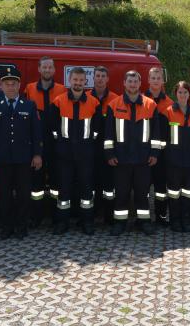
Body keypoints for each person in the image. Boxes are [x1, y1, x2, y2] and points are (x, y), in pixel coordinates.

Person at [0, 66, 43, 239]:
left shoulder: (29, 105)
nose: (10, 87)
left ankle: (22, 227)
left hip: (24, 159)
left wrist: (37, 154)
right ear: (1, 85)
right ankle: (6, 227)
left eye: (13, 84)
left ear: (19, 85)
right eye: (7, 84)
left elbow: (36, 133)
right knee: (4, 195)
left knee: (23, 195)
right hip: (1, 159)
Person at [103, 70, 161, 236]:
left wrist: (154, 153)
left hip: (144, 159)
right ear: (124, 83)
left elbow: (156, 133)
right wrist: (110, 154)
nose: (133, 84)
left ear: (140, 83)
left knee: (142, 194)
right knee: (121, 193)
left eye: (135, 81)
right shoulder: (114, 105)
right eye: (130, 81)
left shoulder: (150, 105)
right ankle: (119, 223)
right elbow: (109, 134)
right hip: (121, 159)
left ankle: (144, 222)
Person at [50, 67, 101, 235]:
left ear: (86, 82)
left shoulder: (94, 102)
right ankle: (62, 223)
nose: (78, 83)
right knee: (64, 189)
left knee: (86, 189)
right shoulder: (58, 101)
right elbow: (52, 126)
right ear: (69, 81)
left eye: (81, 80)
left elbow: (97, 128)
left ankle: (87, 222)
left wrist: (90, 143)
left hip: (85, 154)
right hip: (64, 154)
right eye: (75, 80)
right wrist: (60, 142)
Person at [23, 56, 66, 227]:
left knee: (56, 182)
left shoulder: (62, 89)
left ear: (54, 70)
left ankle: (56, 217)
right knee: (36, 184)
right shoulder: (29, 88)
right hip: (37, 143)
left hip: (55, 144)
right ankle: (36, 217)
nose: (47, 70)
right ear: (39, 69)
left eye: (50, 67)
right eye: (44, 67)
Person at [158, 81, 190, 232]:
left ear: (189, 94)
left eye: (185, 92)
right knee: (173, 192)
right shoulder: (167, 112)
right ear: (175, 94)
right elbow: (163, 138)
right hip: (173, 159)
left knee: (188, 192)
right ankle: (175, 220)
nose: (182, 95)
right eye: (180, 92)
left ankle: (186, 219)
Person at [144, 67, 175, 227]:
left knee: (161, 188)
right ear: (148, 80)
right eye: (153, 78)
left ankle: (161, 217)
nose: (156, 81)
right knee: (142, 188)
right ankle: (143, 219)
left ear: (163, 80)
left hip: (162, 155)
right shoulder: (140, 100)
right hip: (143, 153)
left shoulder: (169, 103)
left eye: (158, 78)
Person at [91, 66, 120, 225]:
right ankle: (93, 215)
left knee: (109, 185)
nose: (100, 79)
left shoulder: (116, 99)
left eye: (103, 76)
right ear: (93, 78)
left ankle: (109, 216)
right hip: (91, 149)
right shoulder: (86, 97)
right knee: (92, 183)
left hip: (109, 149)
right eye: (98, 76)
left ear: (107, 79)